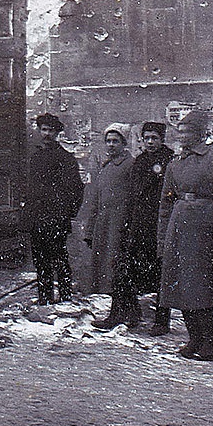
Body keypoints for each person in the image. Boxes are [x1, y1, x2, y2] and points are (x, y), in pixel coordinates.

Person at [157, 108, 213, 360]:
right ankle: (194, 338)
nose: (182, 137)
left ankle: (210, 342)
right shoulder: (174, 164)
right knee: (181, 286)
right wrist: (162, 239)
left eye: (187, 132)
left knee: (202, 288)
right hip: (178, 229)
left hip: (203, 231)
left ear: (199, 134)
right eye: (179, 132)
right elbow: (166, 203)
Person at [116, 121, 176, 336]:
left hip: (158, 224)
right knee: (127, 269)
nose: (150, 142)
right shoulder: (140, 161)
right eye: (147, 138)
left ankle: (162, 321)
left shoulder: (169, 160)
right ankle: (128, 313)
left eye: (154, 138)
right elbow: (132, 193)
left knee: (161, 273)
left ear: (162, 139)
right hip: (138, 223)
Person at [22, 113, 84, 306]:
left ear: (57, 133)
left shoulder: (65, 158)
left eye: (51, 130)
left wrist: (67, 213)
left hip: (56, 217)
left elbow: (76, 189)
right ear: (39, 131)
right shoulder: (35, 157)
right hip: (37, 217)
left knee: (59, 259)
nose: (47, 134)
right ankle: (45, 297)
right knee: (40, 260)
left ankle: (65, 297)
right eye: (44, 130)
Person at [84, 123, 135, 324]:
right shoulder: (105, 167)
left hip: (120, 225)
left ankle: (120, 313)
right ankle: (129, 312)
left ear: (124, 143)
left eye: (115, 141)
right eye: (108, 141)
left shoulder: (130, 165)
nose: (111, 145)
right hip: (104, 224)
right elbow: (96, 199)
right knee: (109, 268)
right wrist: (90, 229)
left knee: (118, 269)